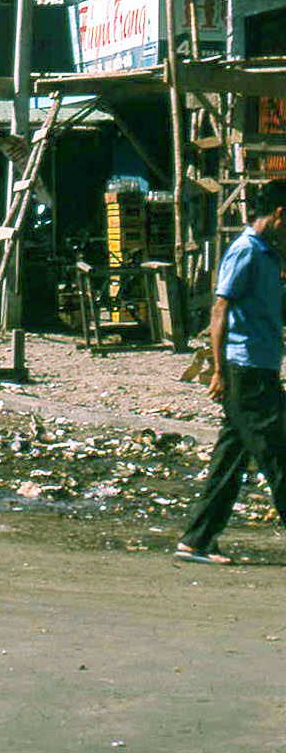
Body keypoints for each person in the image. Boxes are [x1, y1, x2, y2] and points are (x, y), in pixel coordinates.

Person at [177, 180, 286, 565]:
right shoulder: (245, 252)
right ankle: (197, 540)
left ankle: (197, 540)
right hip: (246, 371)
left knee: (230, 460)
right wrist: (218, 371)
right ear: (279, 214)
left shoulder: (270, 256)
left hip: (261, 368)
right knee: (279, 454)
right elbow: (219, 310)